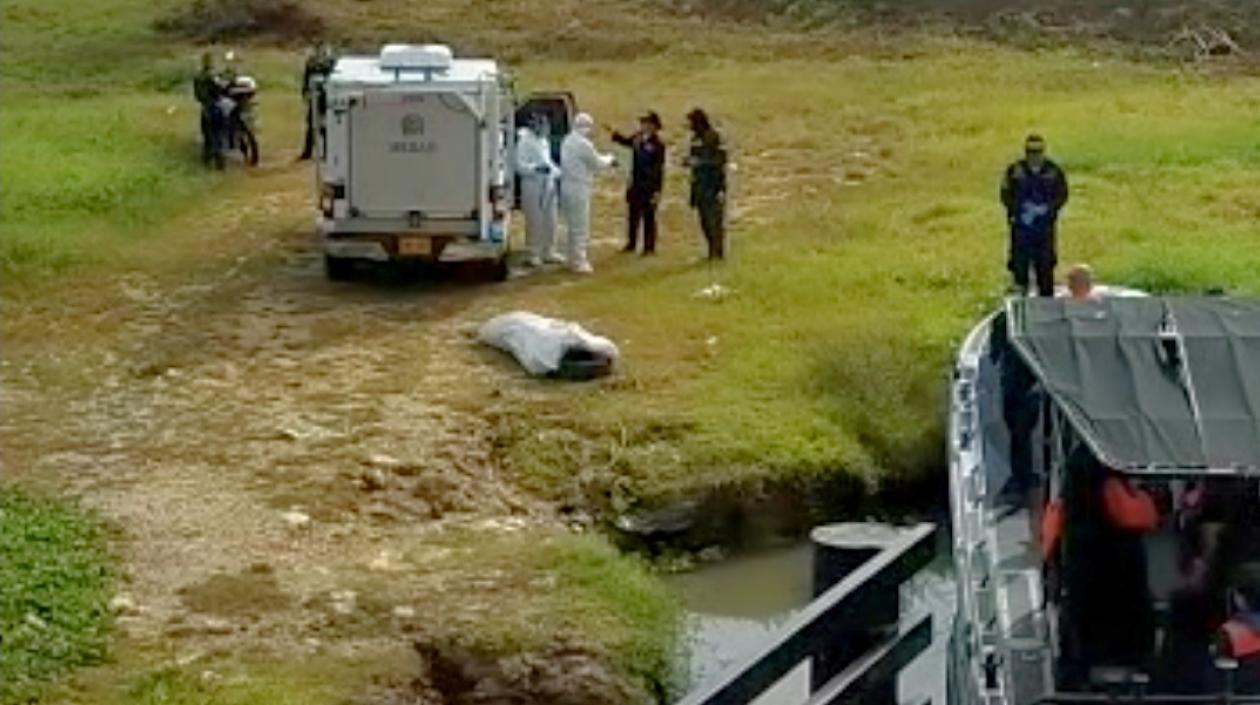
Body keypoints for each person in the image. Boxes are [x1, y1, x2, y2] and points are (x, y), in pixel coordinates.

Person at [1000, 134, 1069, 297]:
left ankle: (1046, 303)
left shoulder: (1053, 171)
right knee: (1019, 269)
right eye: (1030, 151)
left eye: (1038, 151)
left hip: (1044, 229)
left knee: (1045, 269)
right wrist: (1020, 210)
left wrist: (1047, 209)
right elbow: (1005, 195)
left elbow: (1062, 194)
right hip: (1021, 228)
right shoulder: (1015, 171)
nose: (1034, 156)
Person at [559, 113, 616, 274]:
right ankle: (579, 261)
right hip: (579, 187)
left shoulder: (567, 140)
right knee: (580, 225)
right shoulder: (583, 144)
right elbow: (596, 163)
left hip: (566, 186)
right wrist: (610, 159)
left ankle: (572, 257)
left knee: (571, 225)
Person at [610, 111, 666, 255]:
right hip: (635, 183)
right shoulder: (638, 138)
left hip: (649, 185)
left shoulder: (658, 144)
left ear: (653, 126)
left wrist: (657, 190)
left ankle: (649, 247)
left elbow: (658, 169)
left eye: (646, 123)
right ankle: (631, 243)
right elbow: (627, 142)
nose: (643, 126)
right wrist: (615, 135)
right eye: (643, 123)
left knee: (649, 217)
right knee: (633, 215)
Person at [516, 113, 562, 267]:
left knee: (551, 219)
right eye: (544, 124)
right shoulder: (524, 141)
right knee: (534, 220)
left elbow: (548, 163)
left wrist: (558, 172)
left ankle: (549, 251)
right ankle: (533, 253)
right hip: (532, 186)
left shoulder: (544, 141)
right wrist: (536, 169)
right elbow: (519, 165)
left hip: (548, 185)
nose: (547, 128)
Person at [686, 109, 728, 260]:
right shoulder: (695, 138)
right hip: (699, 184)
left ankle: (717, 252)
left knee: (714, 220)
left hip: (712, 184)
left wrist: (700, 163)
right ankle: (711, 251)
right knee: (704, 220)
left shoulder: (713, 136)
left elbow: (720, 160)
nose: (689, 125)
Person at [299, 42, 336, 161]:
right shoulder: (311, 63)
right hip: (314, 97)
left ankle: (327, 152)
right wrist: (305, 92)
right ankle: (307, 152)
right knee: (311, 124)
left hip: (325, 97)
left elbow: (332, 78)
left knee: (325, 125)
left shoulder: (331, 63)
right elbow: (306, 78)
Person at [193, 52, 224, 169]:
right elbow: (220, 88)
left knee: (208, 135)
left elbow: (197, 96)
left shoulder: (198, 77)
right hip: (216, 106)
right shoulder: (213, 76)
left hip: (206, 107)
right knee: (217, 135)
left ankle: (207, 161)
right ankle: (219, 163)